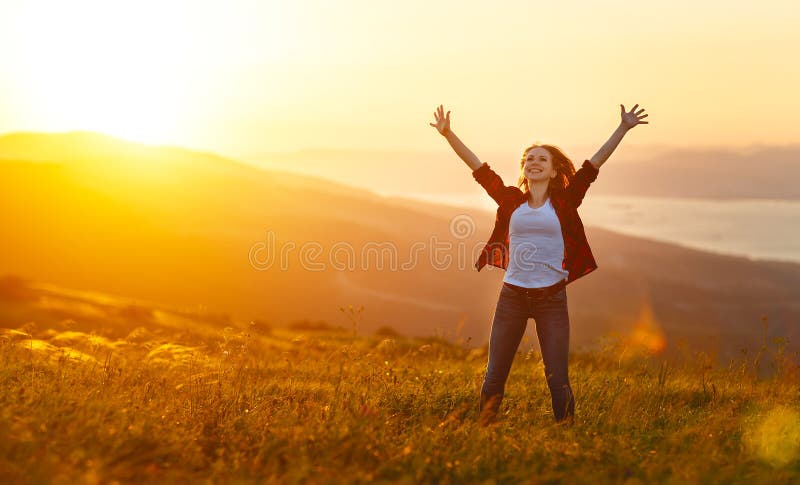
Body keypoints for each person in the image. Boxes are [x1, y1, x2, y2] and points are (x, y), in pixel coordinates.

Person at [429, 103, 648, 425]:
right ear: (524, 168)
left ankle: (568, 436)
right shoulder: (510, 200)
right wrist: (448, 134)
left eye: (541, 159)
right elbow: (478, 168)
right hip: (512, 298)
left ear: (554, 171)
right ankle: (483, 434)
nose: (534, 162)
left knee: (557, 379)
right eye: (529, 158)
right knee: (493, 377)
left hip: (552, 300)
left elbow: (593, 164)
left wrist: (623, 128)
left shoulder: (566, 199)